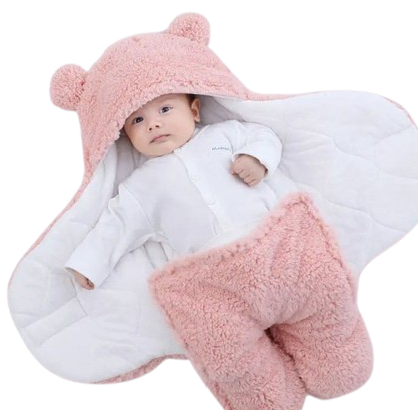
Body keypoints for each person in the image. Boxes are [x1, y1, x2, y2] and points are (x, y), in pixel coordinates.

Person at [65, 92, 291, 290]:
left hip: (271, 236)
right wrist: (88, 264)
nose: (153, 124)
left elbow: (264, 135)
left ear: (194, 111)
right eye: (138, 120)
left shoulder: (224, 134)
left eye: (165, 109)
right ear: (126, 135)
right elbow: (118, 223)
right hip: (211, 267)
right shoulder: (141, 185)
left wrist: (257, 158)